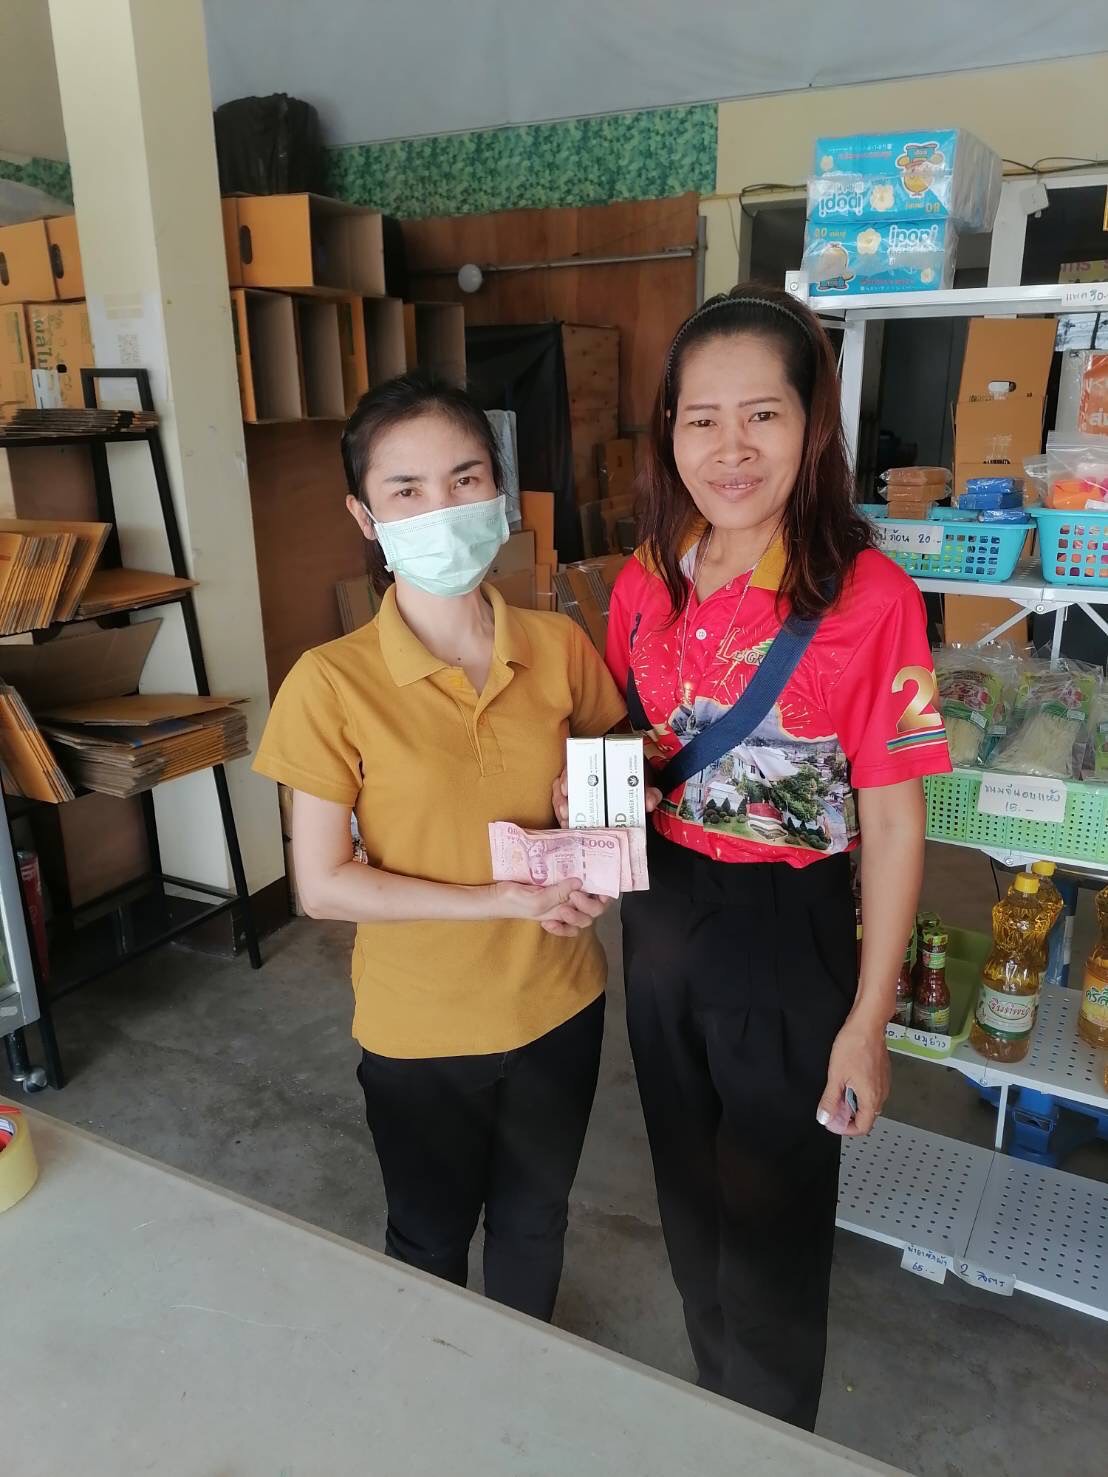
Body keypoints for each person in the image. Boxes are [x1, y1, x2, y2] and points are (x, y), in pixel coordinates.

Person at [556, 285, 950, 1428]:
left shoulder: (867, 598)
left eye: (761, 416)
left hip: (788, 937)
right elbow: (630, 745)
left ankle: (771, 1436)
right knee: (687, 1192)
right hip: (661, 919)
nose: (729, 449)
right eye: (701, 419)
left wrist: (867, 1021)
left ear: (811, 426)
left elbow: (893, 821)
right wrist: (582, 822)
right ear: (667, 432)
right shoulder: (646, 576)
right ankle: (716, 1410)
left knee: (771, 1228)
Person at [254, 371, 625, 1322]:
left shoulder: (559, 646)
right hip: (419, 1030)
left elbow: (616, 779)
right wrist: (499, 899)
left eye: (465, 479)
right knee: (428, 1237)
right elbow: (323, 885)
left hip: (560, 1004)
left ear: (498, 490)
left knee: (536, 1221)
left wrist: (595, 826)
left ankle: (521, 1375)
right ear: (364, 516)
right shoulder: (329, 683)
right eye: (406, 489)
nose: (442, 508)